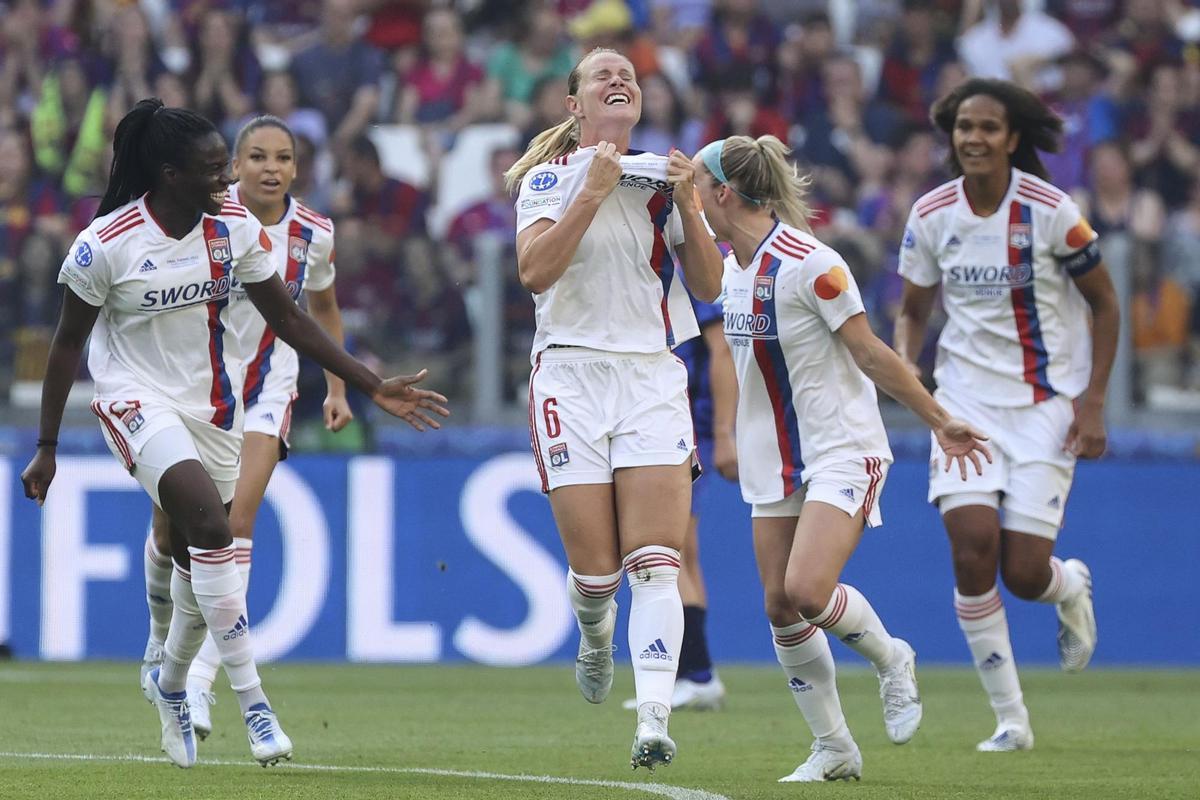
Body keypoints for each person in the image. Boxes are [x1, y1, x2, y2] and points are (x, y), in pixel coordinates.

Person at [20, 99, 448, 769]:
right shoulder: (106, 244)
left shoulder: (232, 231)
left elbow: (294, 320)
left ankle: (170, 681)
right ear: (169, 175)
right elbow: (67, 344)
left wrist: (367, 384)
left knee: (196, 553)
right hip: (134, 396)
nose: (228, 183)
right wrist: (46, 447)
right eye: (215, 171)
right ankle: (254, 703)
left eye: (228, 168)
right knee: (215, 529)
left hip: (213, 405)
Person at [693, 134, 992, 782]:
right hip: (774, 458)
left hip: (841, 447)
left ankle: (892, 658)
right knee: (778, 605)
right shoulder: (728, 269)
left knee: (806, 589)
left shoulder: (811, 263)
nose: (690, 196)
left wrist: (939, 419)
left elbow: (872, 352)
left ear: (721, 193)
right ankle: (835, 748)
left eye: (695, 184)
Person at [505, 48, 725, 769]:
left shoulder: (666, 179)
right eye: (602, 75)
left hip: (650, 377)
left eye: (628, 74)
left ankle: (655, 718)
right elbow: (535, 272)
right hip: (568, 375)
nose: (619, 80)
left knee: (655, 562)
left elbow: (709, 282)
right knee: (596, 577)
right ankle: (594, 635)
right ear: (574, 106)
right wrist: (591, 192)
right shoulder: (547, 179)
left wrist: (692, 201)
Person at [894, 78, 1119, 752]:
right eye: (965, 127)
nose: (974, 138)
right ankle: (1011, 721)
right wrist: (911, 371)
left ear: (1013, 138)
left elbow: (1106, 304)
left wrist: (1095, 400)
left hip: (1044, 407)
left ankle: (1069, 585)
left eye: (989, 127)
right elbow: (912, 310)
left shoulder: (1054, 213)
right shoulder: (932, 214)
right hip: (963, 405)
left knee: (1025, 574)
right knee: (972, 549)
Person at [137, 115, 351, 742]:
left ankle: (198, 686)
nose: (270, 168)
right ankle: (158, 639)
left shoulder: (313, 233)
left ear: (296, 167)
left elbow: (325, 307)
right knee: (172, 530)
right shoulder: (206, 219)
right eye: (256, 156)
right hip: (192, 389)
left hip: (266, 391)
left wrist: (337, 388)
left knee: (233, 526)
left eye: (282, 157)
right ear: (233, 164)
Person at [622, 292, 738, 713]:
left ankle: (698, 673)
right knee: (683, 553)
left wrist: (724, 433)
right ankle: (693, 673)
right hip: (673, 417)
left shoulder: (687, 266)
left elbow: (722, 348)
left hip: (683, 421)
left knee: (667, 549)